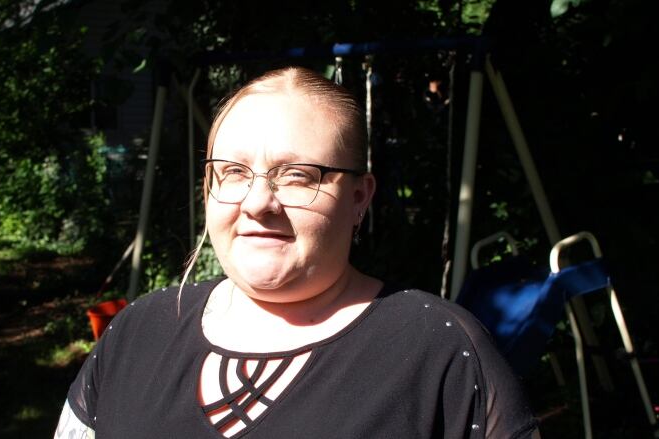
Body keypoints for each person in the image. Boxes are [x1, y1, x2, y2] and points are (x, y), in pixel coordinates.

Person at [55, 66, 539, 438]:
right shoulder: (135, 334)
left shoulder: (441, 352)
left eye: (298, 175)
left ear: (359, 198)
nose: (258, 202)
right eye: (234, 172)